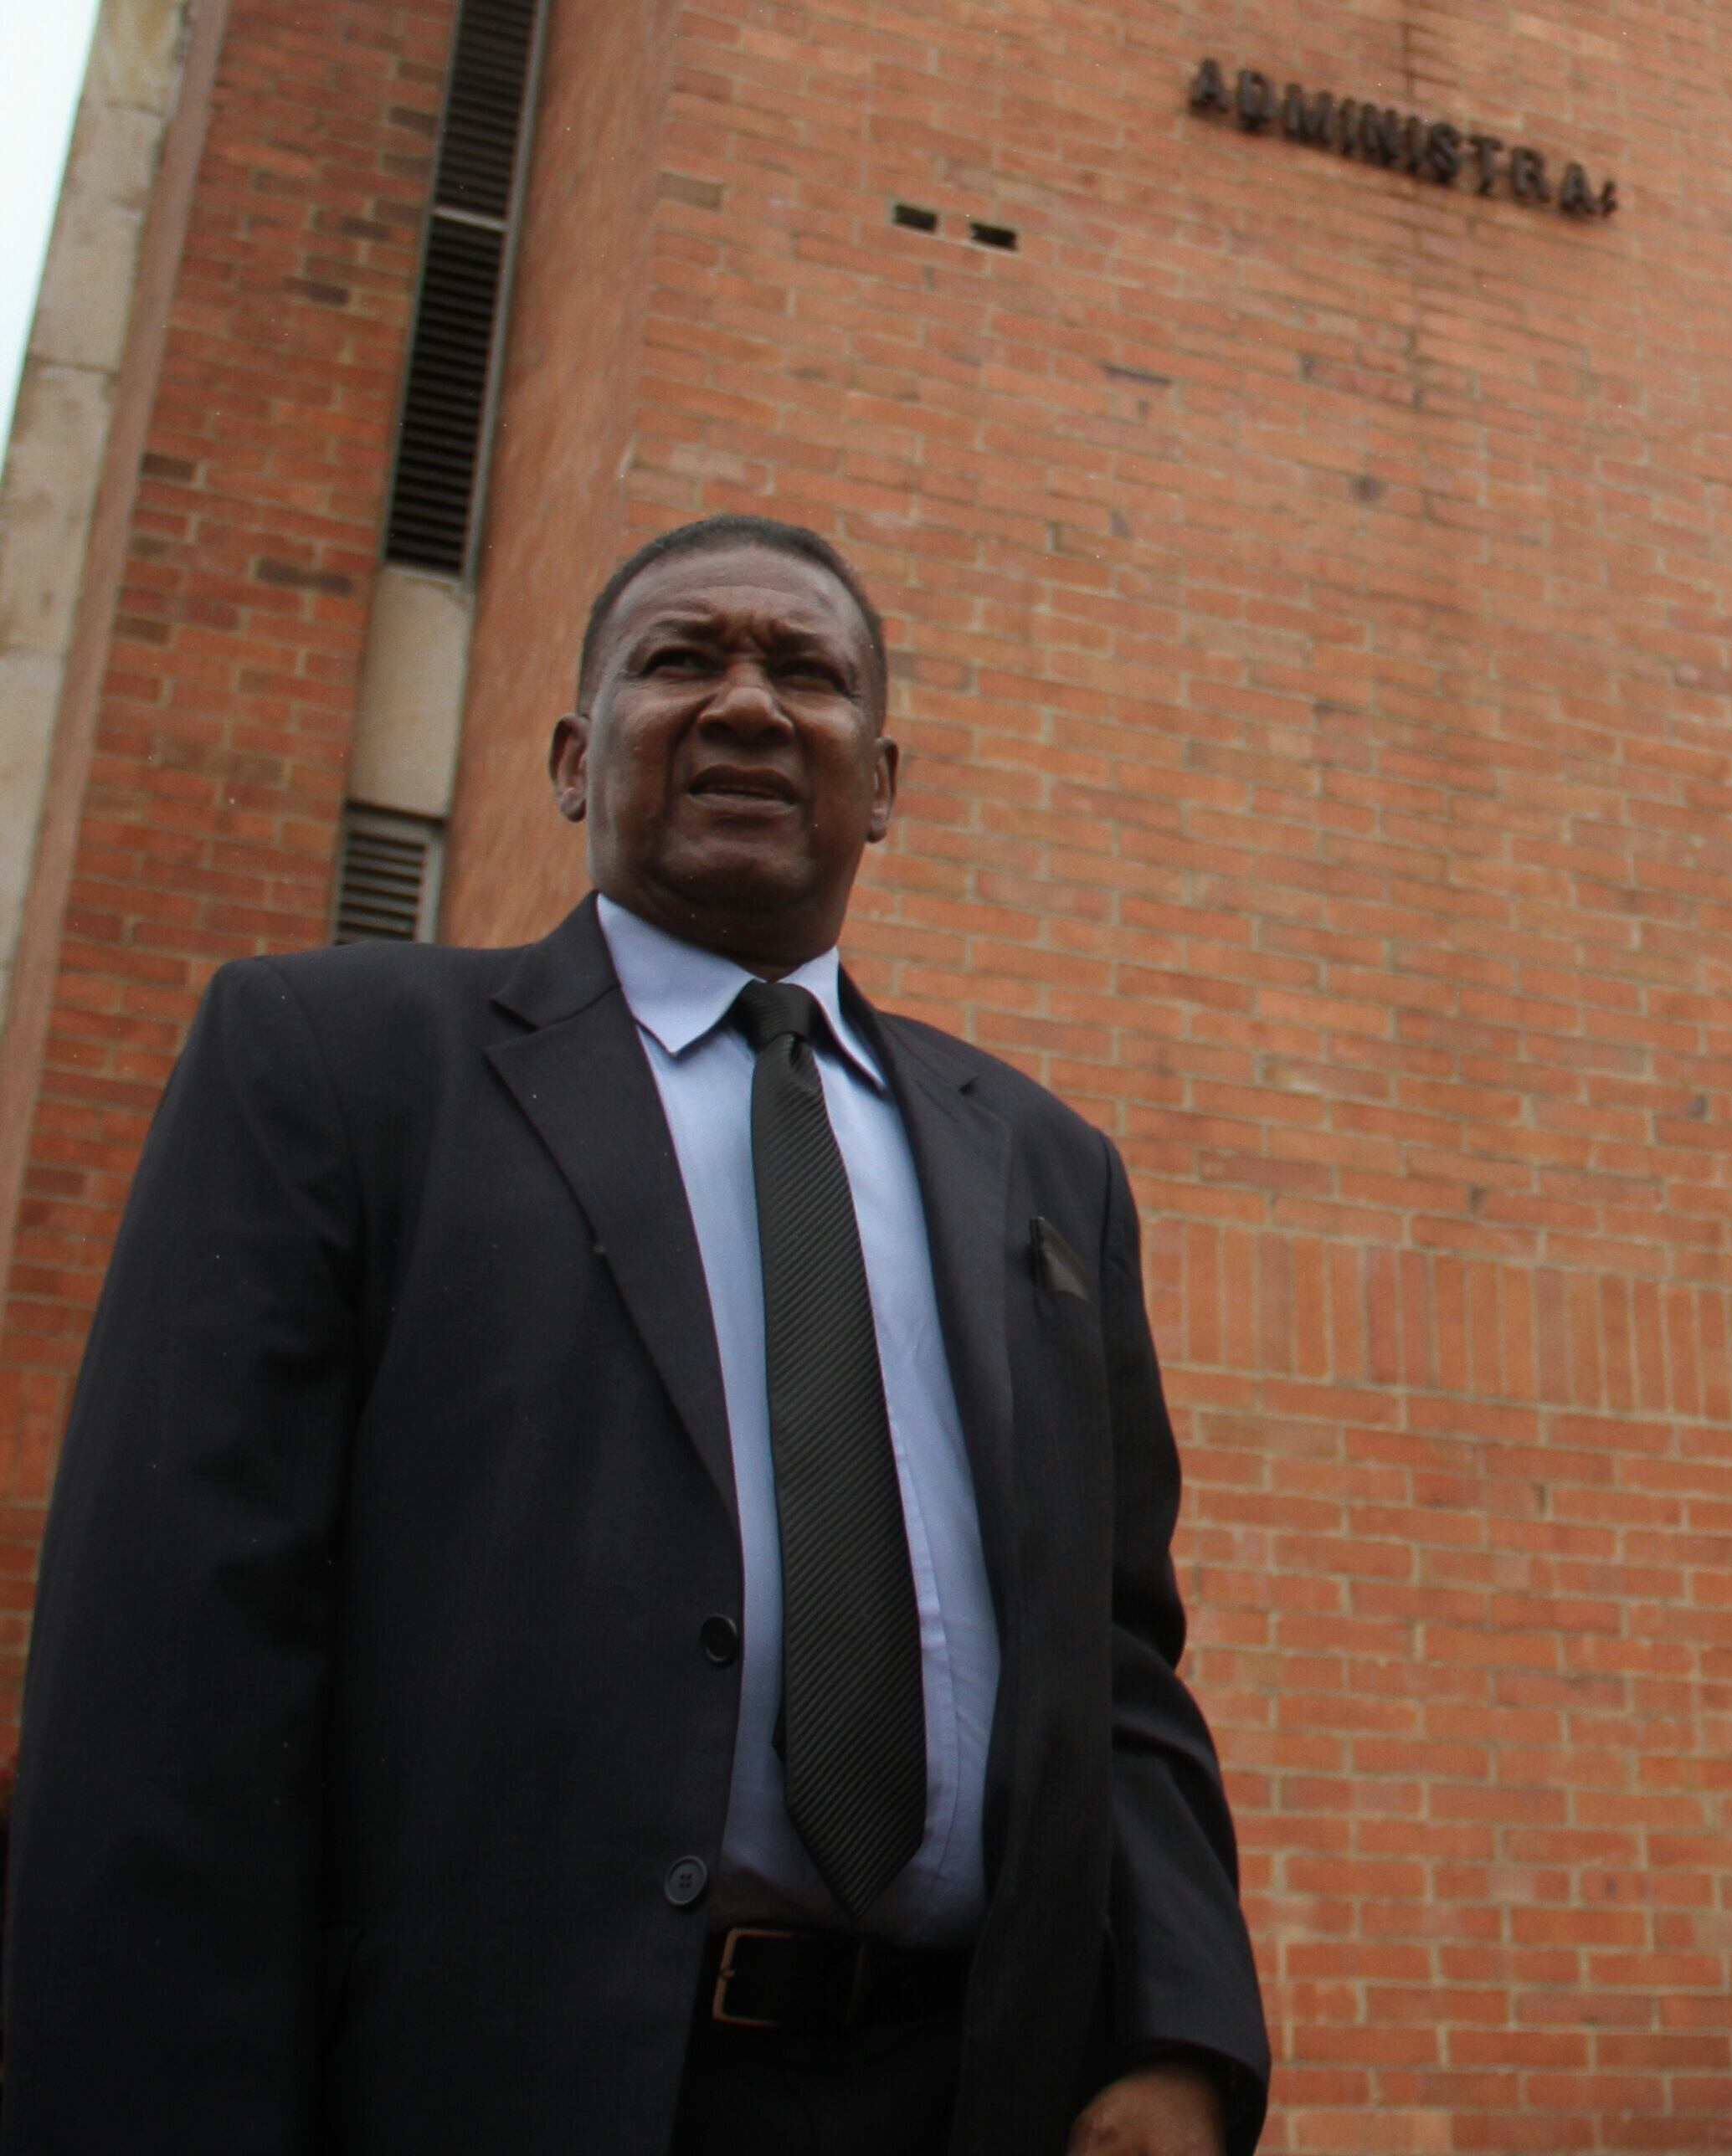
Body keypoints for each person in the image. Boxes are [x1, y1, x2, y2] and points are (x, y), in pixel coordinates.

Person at [3, 516, 1270, 2156]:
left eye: (804, 672)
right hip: (497, 2081)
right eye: (682, 659)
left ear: (879, 783)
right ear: (568, 757)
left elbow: (1112, 1659)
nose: (747, 702)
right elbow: (175, 1660)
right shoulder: (336, 1066)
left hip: (972, 2095)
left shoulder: (1042, 1166)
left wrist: (1177, 2029)